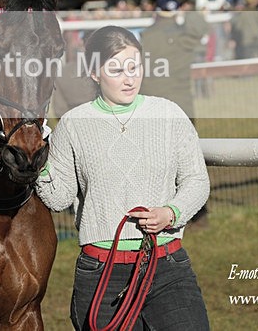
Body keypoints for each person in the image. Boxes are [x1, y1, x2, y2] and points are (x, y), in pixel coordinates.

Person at [36, 26, 210, 330]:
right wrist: (36, 159)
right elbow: (59, 197)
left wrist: (171, 213)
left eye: (134, 66)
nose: (129, 78)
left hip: (167, 266)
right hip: (100, 271)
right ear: (94, 73)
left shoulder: (169, 114)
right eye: (116, 69)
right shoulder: (72, 125)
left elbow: (197, 180)